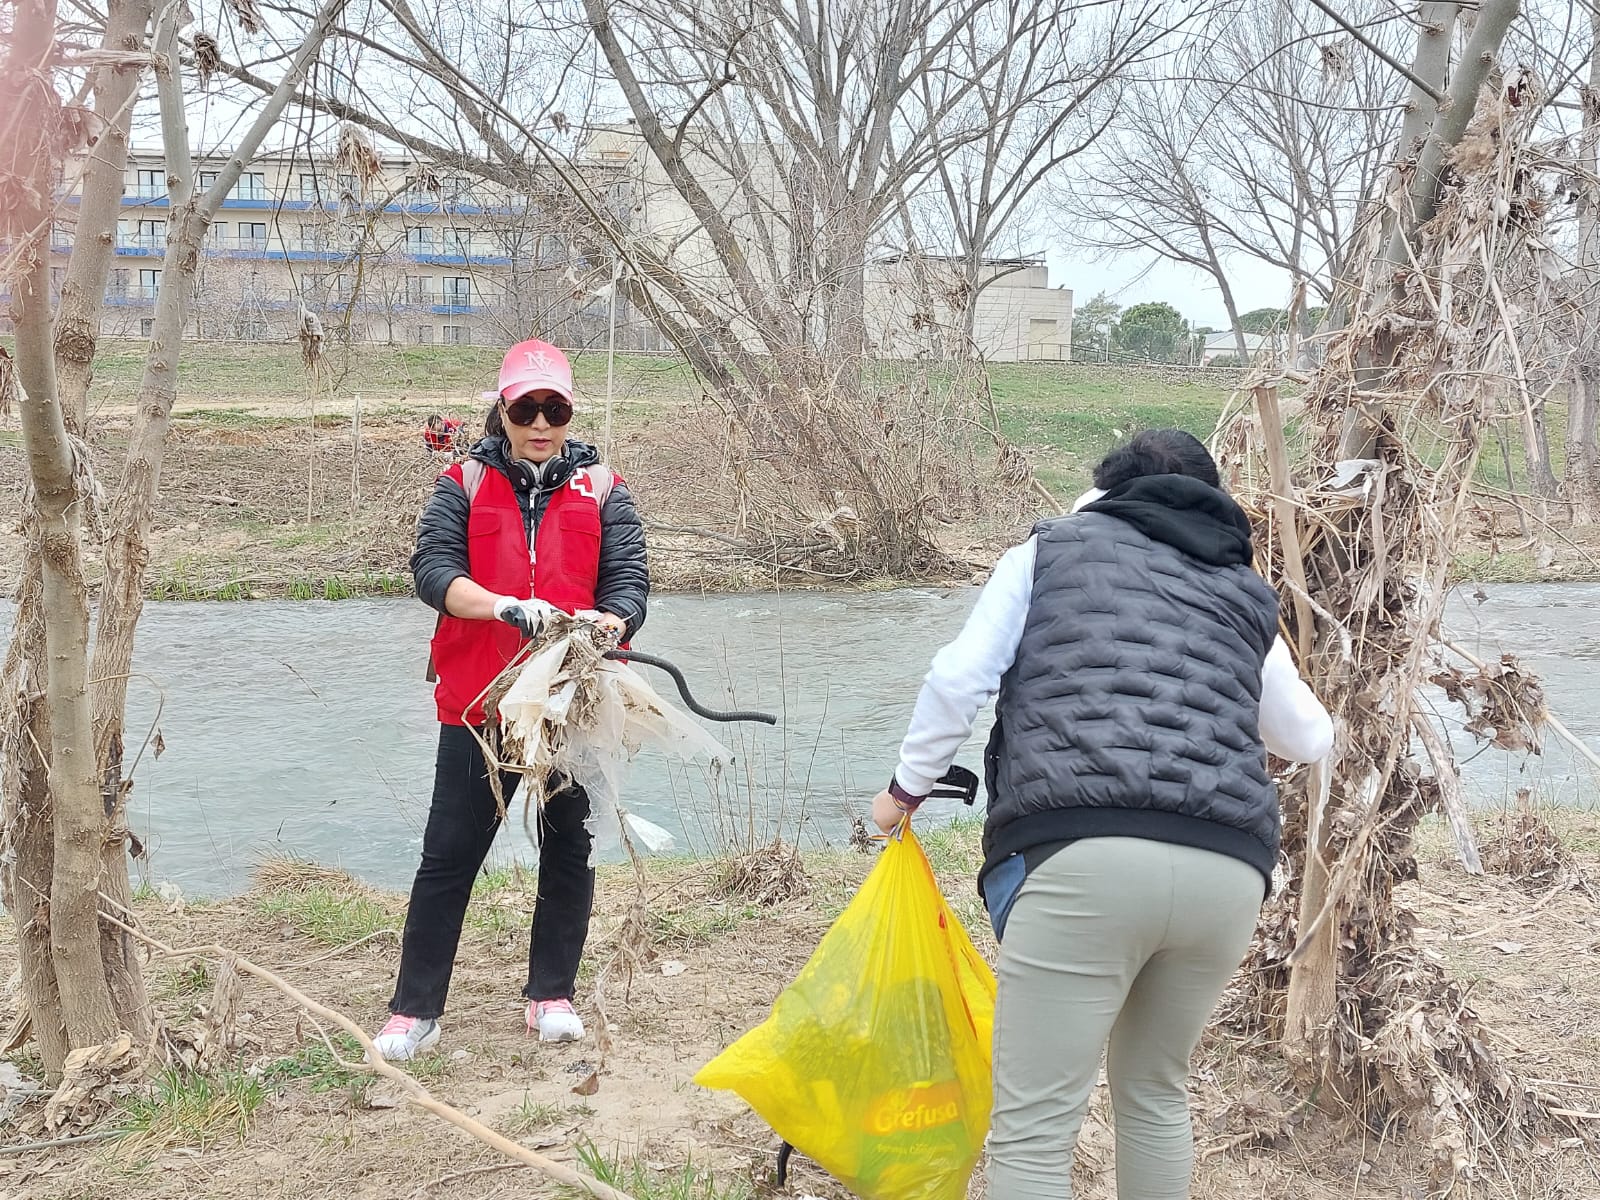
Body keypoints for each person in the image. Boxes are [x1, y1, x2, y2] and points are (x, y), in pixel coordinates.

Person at [870, 430, 1333, 1200]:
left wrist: (903, 792)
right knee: (1154, 1095)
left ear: (1105, 488)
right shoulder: (1241, 586)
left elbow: (958, 680)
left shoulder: (1051, 550)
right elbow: (1309, 736)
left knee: (1035, 1127)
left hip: (1081, 858)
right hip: (1228, 872)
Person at [375, 338, 649, 1061]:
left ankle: (550, 996)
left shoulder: (605, 488)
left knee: (571, 852)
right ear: (501, 408)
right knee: (448, 856)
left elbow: (628, 583)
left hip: (572, 704)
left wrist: (610, 619)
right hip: (478, 706)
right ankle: (415, 1010)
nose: (539, 421)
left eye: (552, 407)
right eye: (524, 407)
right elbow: (433, 571)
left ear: (568, 412)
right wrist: (501, 607)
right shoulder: (460, 483)